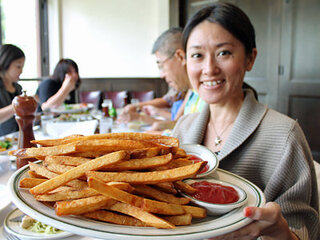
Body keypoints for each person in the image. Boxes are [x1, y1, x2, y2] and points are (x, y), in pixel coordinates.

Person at [172, 3, 319, 240]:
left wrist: (280, 231)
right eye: (197, 55)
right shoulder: (182, 128)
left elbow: (303, 231)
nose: (209, 69)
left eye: (224, 53)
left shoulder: (284, 135)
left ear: (250, 58)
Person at [118, 27, 192, 131]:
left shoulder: (198, 90)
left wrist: (141, 117)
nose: (162, 75)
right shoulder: (190, 90)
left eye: (161, 65)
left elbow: (176, 126)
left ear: (180, 57)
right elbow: (176, 122)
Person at [0, 44, 25, 136]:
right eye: (18, 66)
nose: (21, 71)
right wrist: (17, 105)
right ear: (5, 63)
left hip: (17, 138)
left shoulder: (18, 88)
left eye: (22, 67)